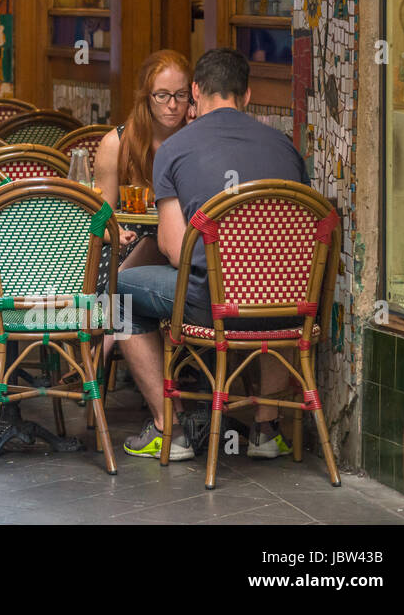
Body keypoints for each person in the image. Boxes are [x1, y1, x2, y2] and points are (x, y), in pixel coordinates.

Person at [115, 48, 308, 462]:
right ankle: (266, 430)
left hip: (214, 304)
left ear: (197, 92)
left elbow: (172, 247)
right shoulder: (286, 148)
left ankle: (172, 429)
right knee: (275, 293)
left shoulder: (175, 149)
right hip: (292, 303)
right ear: (248, 95)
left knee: (118, 296)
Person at [94, 50, 192, 268]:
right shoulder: (116, 143)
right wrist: (114, 233)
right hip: (127, 251)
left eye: (181, 94)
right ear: (146, 97)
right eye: (162, 95)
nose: (173, 105)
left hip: (184, 251)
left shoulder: (197, 141)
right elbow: (98, 218)